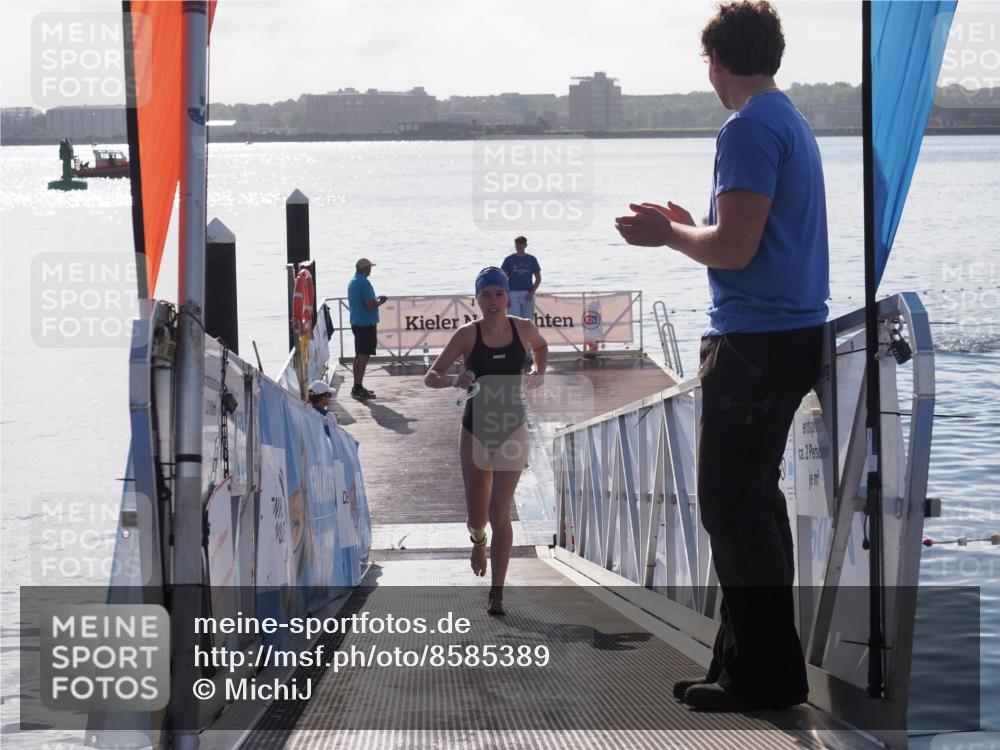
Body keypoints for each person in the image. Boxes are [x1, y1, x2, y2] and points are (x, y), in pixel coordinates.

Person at [615, 0, 828, 712]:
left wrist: (666, 237)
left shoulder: (746, 128)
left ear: (718, 61)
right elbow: (748, 237)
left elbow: (735, 249)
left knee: (730, 507)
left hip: (754, 343)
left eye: (705, 62)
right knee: (753, 507)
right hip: (789, 335)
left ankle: (766, 678)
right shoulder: (788, 119)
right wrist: (687, 225)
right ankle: (746, 668)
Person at [423, 267, 548, 615]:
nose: (492, 301)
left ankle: (497, 593)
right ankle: (478, 541)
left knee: (500, 512)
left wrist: (540, 371)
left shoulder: (522, 328)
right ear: (476, 299)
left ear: (508, 296)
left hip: (513, 428)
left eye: (498, 293)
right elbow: (429, 377)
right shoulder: (467, 335)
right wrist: (452, 380)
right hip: (475, 429)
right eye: (486, 295)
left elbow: (542, 346)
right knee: (478, 517)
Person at [347, 258, 387, 400]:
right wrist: (380, 301)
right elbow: (370, 305)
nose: (370, 270)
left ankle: (357, 385)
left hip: (357, 322)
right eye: (369, 268)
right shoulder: (364, 283)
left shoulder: (353, 281)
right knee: (363, 356)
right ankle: (358, 387)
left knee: (359, 355)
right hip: (365, 324)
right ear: (365, 269)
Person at [501, 236, 541, 322]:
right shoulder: (509, 260)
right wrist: (506, 296)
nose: (519, 246)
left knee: (528, 322)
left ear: (525, 245)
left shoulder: (532, 259)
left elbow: (538, 278)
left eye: (521, 244)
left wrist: (531, 292)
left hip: (527, 293)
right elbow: (503, 279)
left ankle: (527, 336)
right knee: (514, 321)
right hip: (513, 293)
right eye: (517, 244)